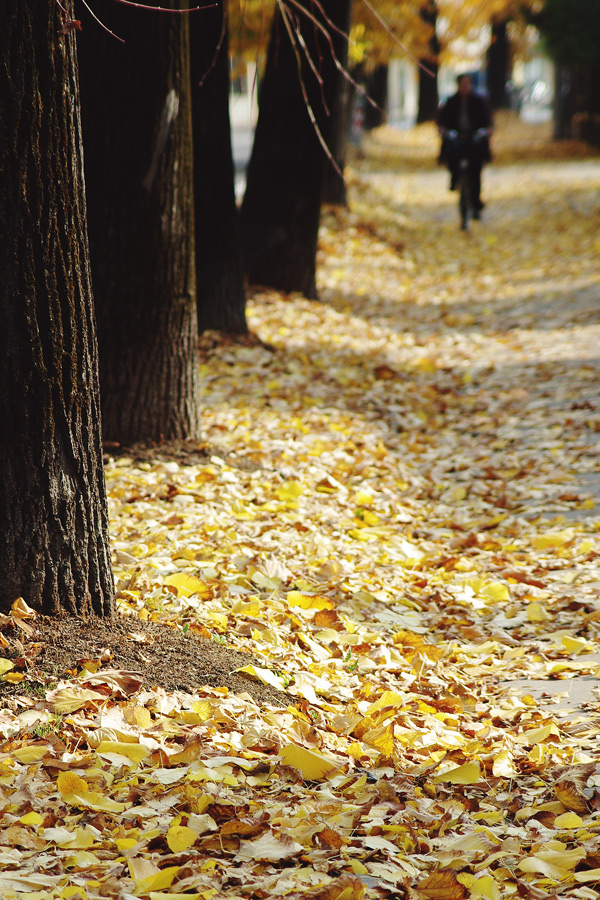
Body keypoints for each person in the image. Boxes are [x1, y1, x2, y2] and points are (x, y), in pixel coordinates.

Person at [437, 74, 493, 218]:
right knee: (451, 153)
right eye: (463, 84)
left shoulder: (479, 101)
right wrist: (444, 131)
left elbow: (488, 122)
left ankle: (476, 204)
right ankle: (454, 178)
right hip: (457, 139)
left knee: (476, 170)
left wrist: (486, 131)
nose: (465, 87)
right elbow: (442, 122)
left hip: (474, 139)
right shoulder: (451, 101)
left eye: (467, 84)